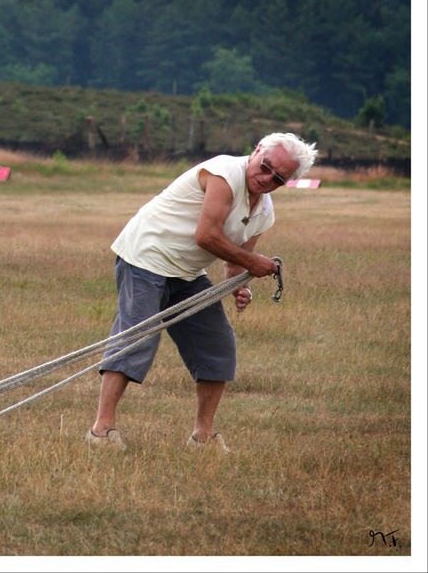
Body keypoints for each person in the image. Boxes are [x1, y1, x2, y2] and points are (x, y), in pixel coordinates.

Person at [86, 132, 318, 452]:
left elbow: (237, 260)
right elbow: (207, 236)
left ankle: (203, 437)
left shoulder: (264, 213)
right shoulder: (224, 173)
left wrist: (241, 286)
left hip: (187, 272)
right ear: (257, 150)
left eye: (279, 178)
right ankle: (102, 430)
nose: (267, 179)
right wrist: (253, 263)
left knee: (218, 345)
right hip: (145, 256)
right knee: (136, 337)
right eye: (266, 167)